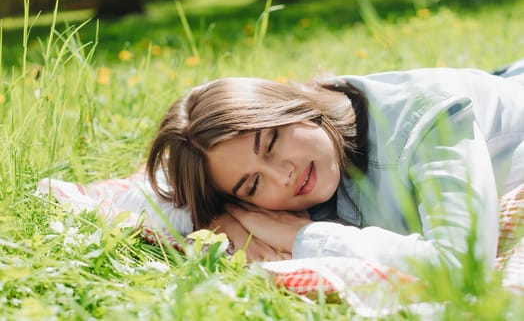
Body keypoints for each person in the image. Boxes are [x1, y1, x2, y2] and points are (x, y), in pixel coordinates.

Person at [145, 59, 524, 275]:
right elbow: (148, 199)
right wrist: (224, 222)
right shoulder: (309, 169)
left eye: (272, 142)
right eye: (252, 185)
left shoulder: (426, 118)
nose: (283, 176)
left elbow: (463, 267)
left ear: (295, 106)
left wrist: (301, 237)